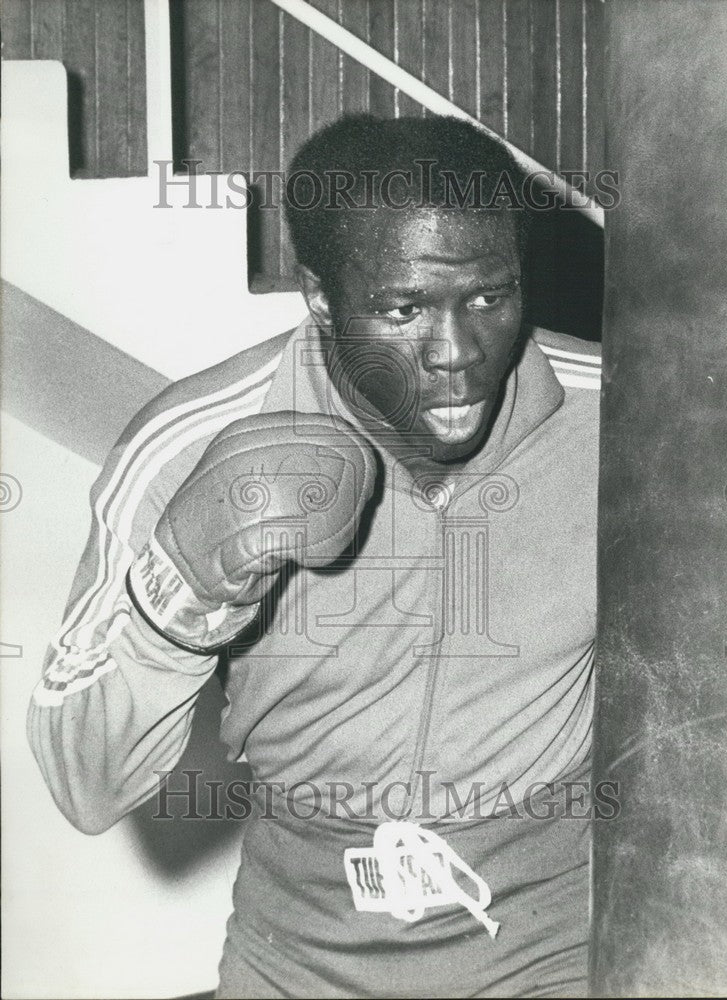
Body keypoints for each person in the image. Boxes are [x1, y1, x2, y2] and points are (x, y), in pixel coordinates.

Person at [28, 115, 602, 998]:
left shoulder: (626, 424)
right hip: (301, 949)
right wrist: (176, 603)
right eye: (403, 309)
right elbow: (85, 785)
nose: (457, 356)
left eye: (489, 298)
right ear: (322, 296)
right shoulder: (190, 443)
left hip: (550, 944)